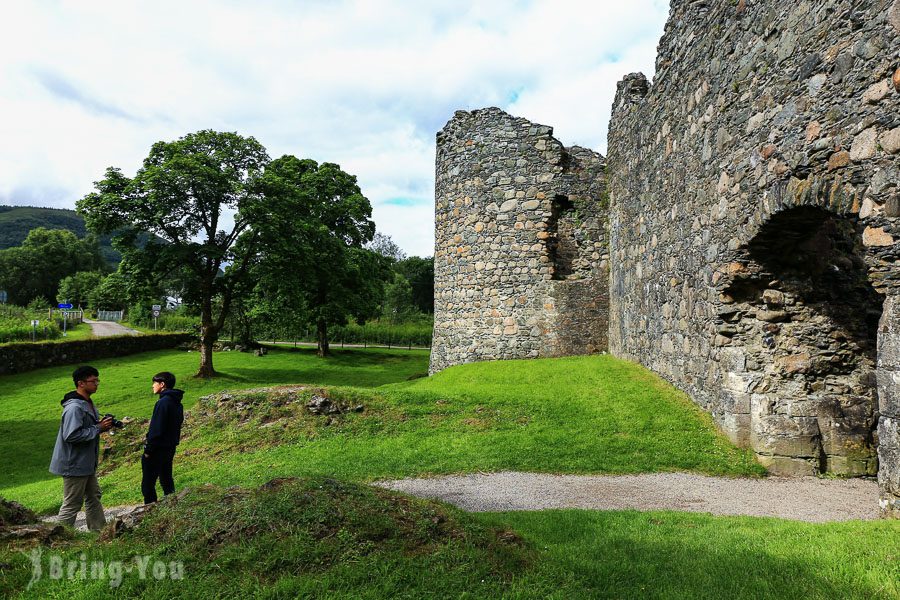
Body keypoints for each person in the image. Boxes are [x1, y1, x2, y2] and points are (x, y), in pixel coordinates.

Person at [49, 365, 114, 531]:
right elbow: (71, 436)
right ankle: (58, 537)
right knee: (72, 503)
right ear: (81, 383)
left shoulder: (87, 403)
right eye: (93, 381)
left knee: (94, 496)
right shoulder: (74, 408)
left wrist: (101, 425)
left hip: (86, 463)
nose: (97, 384)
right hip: (74, 464)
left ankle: (99, 531)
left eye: (97, 380)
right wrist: (98, 428)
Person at [141, 371, 184, 504]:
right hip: (170, 447)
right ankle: (172, 507)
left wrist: (148, 450)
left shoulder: (163, 403)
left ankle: (150, 511)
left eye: (154, 383)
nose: (153, 386)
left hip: (157, 449)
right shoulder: (177, 402)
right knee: (166, 479)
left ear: (162, 384)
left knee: (148, 484)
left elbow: (156, 429)